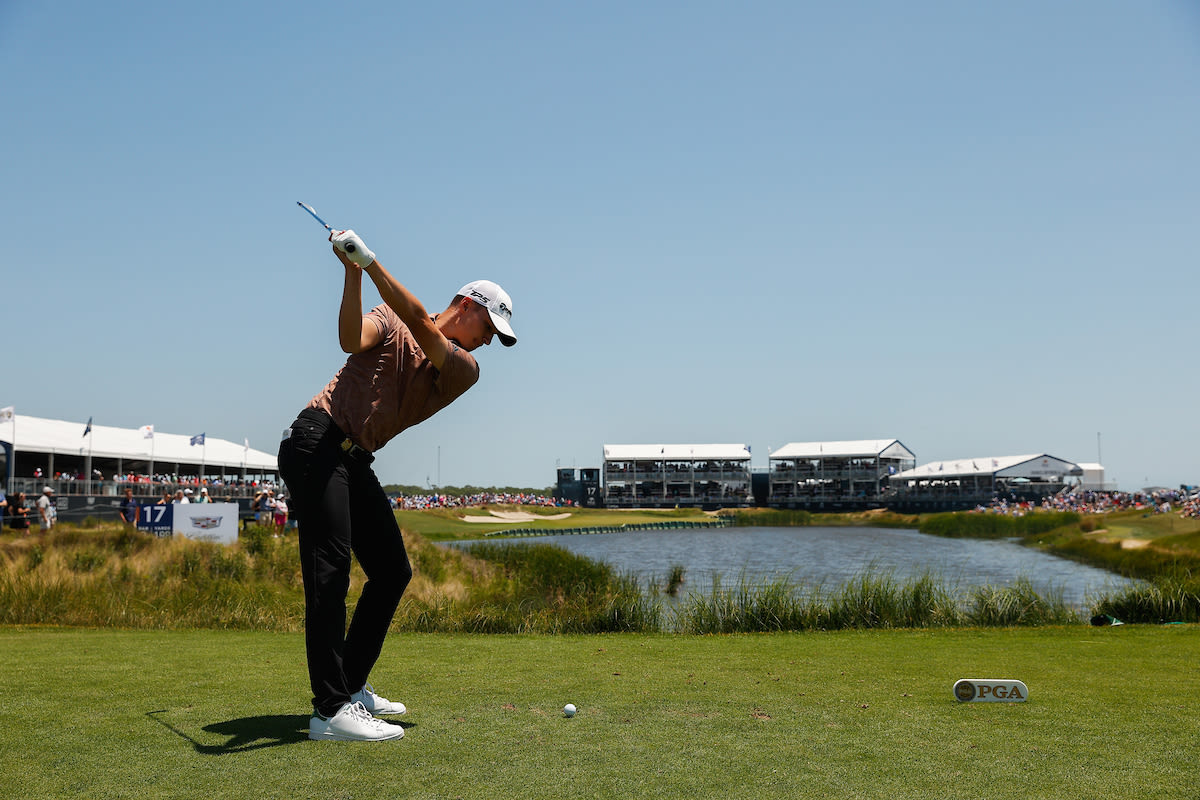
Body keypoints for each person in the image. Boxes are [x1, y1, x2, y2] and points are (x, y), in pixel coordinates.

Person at [278, 227, 516, 742]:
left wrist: (371, 263)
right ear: (466, 304)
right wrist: (351, 273)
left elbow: (421, 326)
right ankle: (331, 710)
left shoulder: (464, 369)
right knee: (331, 571)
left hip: (353, 460)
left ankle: (350, 684)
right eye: (489, 327)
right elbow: (349, 339)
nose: (488, 341)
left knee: (391, 571)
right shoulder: (387, 317)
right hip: (316, 441)